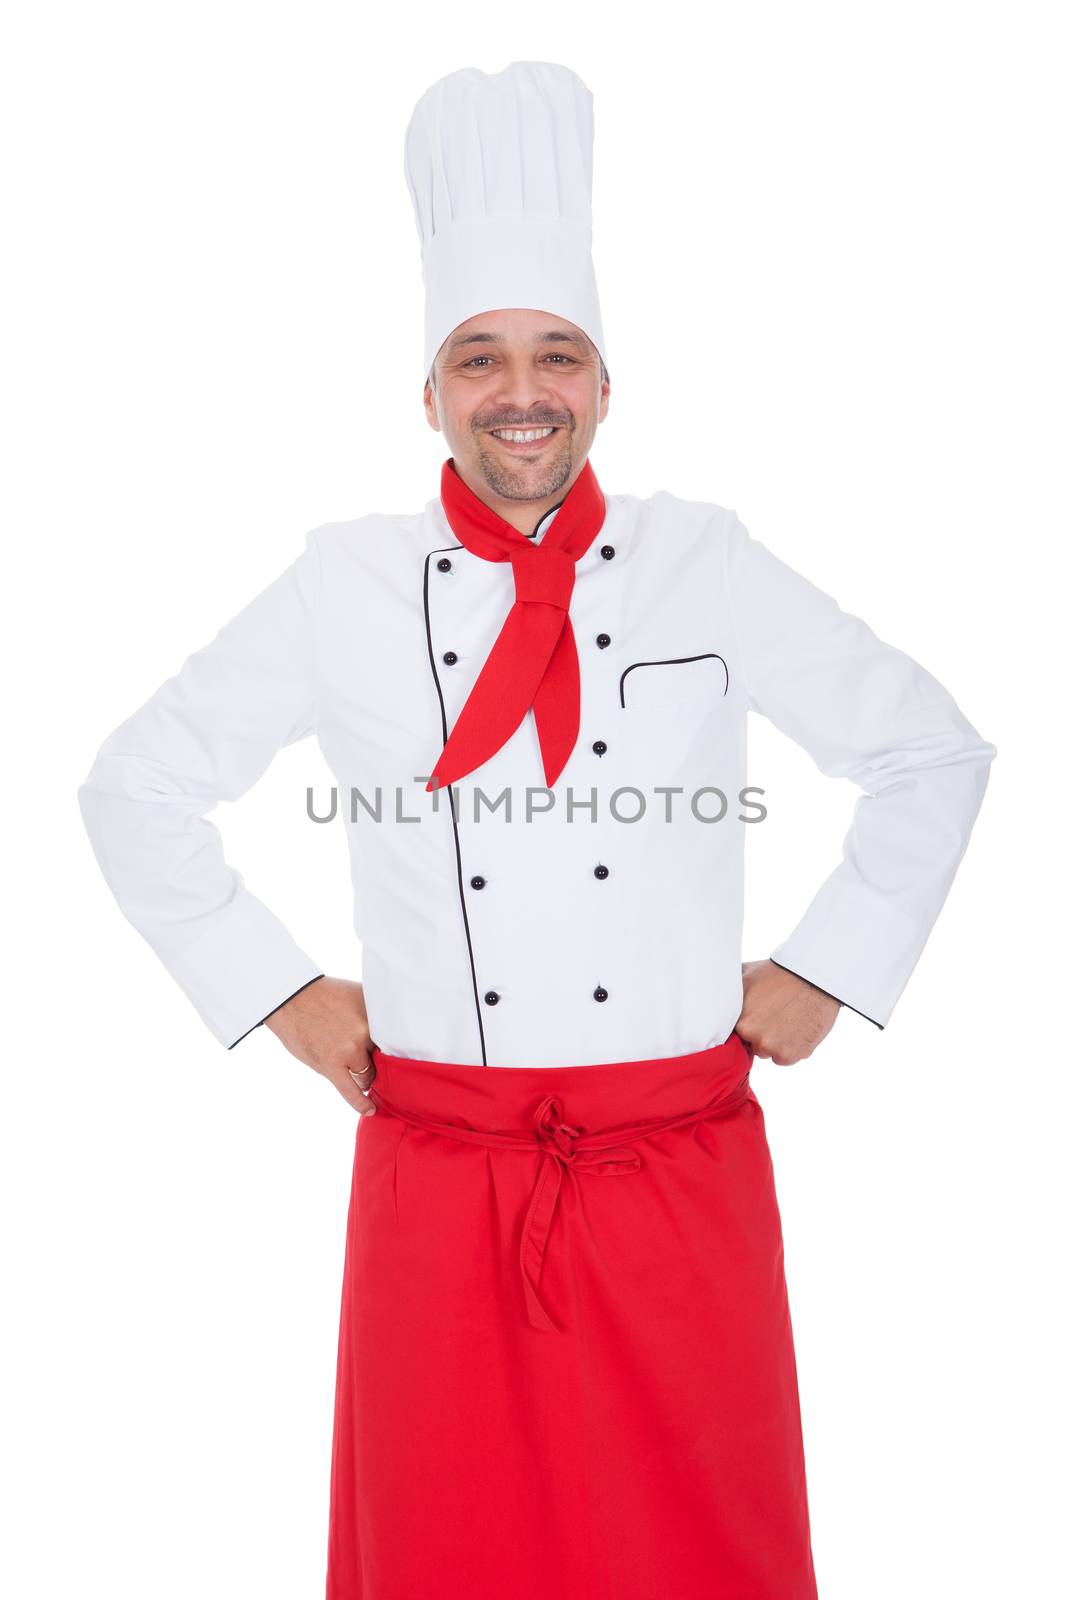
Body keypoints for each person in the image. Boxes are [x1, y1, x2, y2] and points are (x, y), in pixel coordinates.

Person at [78, 60, 996, 1600]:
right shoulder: (339, 584)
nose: (522, 393)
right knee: (448, 1548)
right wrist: (282, 997)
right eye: (480, 359)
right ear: (427, 394)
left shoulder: (706, 560)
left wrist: (830, 967)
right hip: (442, 1171)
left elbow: (929, 749)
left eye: (555, 356)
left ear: (605, 384)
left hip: (676, 1163)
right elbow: (133, 787)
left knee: (702, 1544)